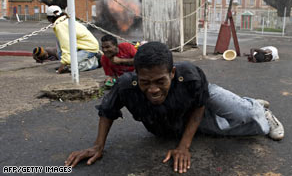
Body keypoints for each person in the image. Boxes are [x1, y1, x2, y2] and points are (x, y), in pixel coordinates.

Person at [65, 42, 284, 174]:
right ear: (137, 76)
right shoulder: (126, 86)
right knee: (257, 130)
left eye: (160, 81)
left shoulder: (189, 75)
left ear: (172, 73)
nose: (152, 90)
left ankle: (257, 107)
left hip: (203, 100)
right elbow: (107, 112)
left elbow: (199, 105)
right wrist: (97, 146)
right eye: (145, 82)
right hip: (179, 123)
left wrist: (184, 147)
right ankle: (255, 112)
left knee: (246, 114)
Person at [46, 5, 102, 73]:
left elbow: (66, 45)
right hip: (83, 47)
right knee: (59, 41)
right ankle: (68, 64)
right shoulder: (66, 20)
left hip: (89, 48)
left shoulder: (60, 25)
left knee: (72, 68)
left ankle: (96, 62)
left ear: (49, 18)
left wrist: (64, 64)